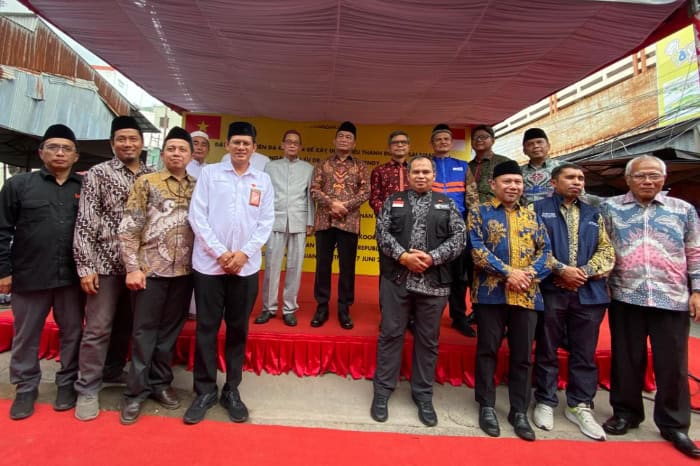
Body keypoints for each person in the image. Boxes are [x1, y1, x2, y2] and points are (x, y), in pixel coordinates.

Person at [600, 155, 700, 459]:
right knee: (626, 358)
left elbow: (694, 250)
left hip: (671, 296)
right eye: (641, 176)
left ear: (664, 178)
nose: (648, 181)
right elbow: (602, 246)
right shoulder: (611, 207)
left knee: (673, 363)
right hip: (625, 293)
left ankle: (674, 424)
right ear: (628, 180)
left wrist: (697, 290)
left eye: (655, 176)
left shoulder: (683, 210)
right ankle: (626, 413)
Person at [184, 121, 274, 425]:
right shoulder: (210, 174)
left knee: (238, 329)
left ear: (254, 148)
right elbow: (197, 216)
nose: (240, 148)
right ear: (227, 145)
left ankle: (232, 389)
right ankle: (205, 390)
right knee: (207, 328)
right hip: (210, 266)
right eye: (235, 142)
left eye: (246, 144)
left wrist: (242, 254)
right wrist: (221, 253)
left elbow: (266, 222)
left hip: (245, 267)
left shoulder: (262, 180)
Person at [371, 155, 466, 427]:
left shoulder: (447, 204)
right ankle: (382, 391)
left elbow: (459, 238)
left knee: (428, 340)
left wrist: (432, 258)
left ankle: (423, 395)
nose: (421, 176)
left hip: (434, 284)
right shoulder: (393, 201)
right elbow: (382, 233)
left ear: (434, 176)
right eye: (416, 172)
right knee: (390, 334)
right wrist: (403, 257)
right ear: (409, 175)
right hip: (397, 279)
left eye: (426, 172)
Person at [73, 115, 154, 421]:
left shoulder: (152, 175)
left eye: (133, 138)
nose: (128, 144)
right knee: (97, 328)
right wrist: (85, 266)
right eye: (121, 139)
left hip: (141, 268)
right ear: (112, 143)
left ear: (142, 143)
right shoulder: (98, 173)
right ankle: (88, 388)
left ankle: (112, 371)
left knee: (128, 325)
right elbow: (85, 221)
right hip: (105, 264)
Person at [0, 124, 84, 420]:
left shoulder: (83, 188)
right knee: (26, 334)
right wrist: (3, 271)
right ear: (41, 152)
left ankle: (67, 383)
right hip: (29, 275)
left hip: (73, 278)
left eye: (66, 148)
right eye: (53, 147)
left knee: (72, 332)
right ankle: (25, 387)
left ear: (76, 156)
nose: (59, 152)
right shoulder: (19, 185)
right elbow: (2, 230)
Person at [117, 127, 196, 424]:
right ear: (162, 153)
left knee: (168, 335)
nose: (177, 153)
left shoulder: (198, 186)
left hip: (184, 272)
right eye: (171, 148)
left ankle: (161, 385)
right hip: (149, 271)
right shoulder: (146, 182)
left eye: (182, 149)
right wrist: (132, 268)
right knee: (143, 333)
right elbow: (129, 228)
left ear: (190, 156)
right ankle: (135, 393)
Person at [469, 160, 552, 442]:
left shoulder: (532, 216)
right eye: (507, 182)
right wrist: (508, 273)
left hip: (526, 295)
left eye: (517, 182)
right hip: (490, 294)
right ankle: (487, 405)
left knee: (522, 356)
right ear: (493, 185)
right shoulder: (479, 212)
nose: (513, 187)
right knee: (487, 350)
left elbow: (546, 253)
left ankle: (519, 410)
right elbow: (476, 249)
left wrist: (526, 275)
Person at [532, 163, 614, 440]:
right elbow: (533, 246)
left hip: (588, 292)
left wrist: (584, 273)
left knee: (584, 352)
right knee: (547, 347)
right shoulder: (538, 209)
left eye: (580, 178)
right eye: (570, 177)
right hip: (551, 289)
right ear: (554, 182)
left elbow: (606, 249)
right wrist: (560, 269)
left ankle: (580, 404)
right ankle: (545, 400)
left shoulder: (593, 211)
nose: (577, 182)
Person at [309, 121, 370, 330]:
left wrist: (344, 206)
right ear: (334, 140)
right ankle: (322, 306)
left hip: (349, 223)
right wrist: (331, 204)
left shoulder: (361, 166)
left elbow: (366, 192)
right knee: (322, 266)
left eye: (349, 137)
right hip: (325, 222)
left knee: (347, 267)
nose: (344, 140)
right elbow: (314, 189)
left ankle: (344, 308)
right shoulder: (322, 164)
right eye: (341, 136)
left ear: (354, 143)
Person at [254, 130, 314, 327]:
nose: (292, 145)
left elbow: (310, 198)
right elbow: (263, 194)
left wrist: (310, 221)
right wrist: (261, 219)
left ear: (300, 147)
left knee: (295, 267)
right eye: (288, 141)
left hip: (298, 220)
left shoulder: (308, 168)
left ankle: (289, 308)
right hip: (275, 220)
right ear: (282, 144)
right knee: (271, 265)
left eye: (296, 142)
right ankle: (269, 308)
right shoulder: (270, 167)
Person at [430, 124, 478, 337]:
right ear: (432, 143)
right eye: (438, 139)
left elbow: (473, 198)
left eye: (446, 139)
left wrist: (471, 225)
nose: (442, 142)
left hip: (458, 230)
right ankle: (426, 318)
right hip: (431, 228)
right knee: (430, 274)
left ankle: (459, 317)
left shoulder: (462, 166)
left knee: (459, 277)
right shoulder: (425, 165)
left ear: (451, 143)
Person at [369, 130, 410, 216]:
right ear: (389, 147)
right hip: (387, 220)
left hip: (412, 220)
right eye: (395, 143)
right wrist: (387, 213)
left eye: (403, 142)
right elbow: (374, 198)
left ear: (408, 146)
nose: (400, 145)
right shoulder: (379, 170)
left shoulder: (415, 170)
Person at [468, 125, 510, 203]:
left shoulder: (505, 162)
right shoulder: (468, 166)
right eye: (475, 137)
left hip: (497, 210)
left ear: (493, 140)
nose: (479, 140)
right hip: (471, 212)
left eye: (483, 137)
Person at [521, 127, 560, 204]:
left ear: (548, 146)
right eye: (530, 144)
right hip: (525, 214)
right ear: (524, 151)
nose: (536, 146)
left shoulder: (564, 168)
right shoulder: (517, 172)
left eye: (539, 142)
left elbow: (580, 196)